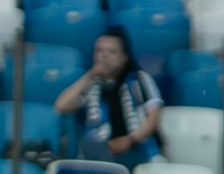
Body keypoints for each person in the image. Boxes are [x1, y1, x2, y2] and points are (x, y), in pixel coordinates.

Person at [56, 31, 163, 165]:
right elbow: (61, 106)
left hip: (140, 151)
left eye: (111, 52)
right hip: (98, 157)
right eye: (99, 51)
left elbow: (154, 117)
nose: (104, 56)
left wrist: (130, 140)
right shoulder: (90, 85)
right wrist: (91, 74)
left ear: (124, 57)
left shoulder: (140, 79)